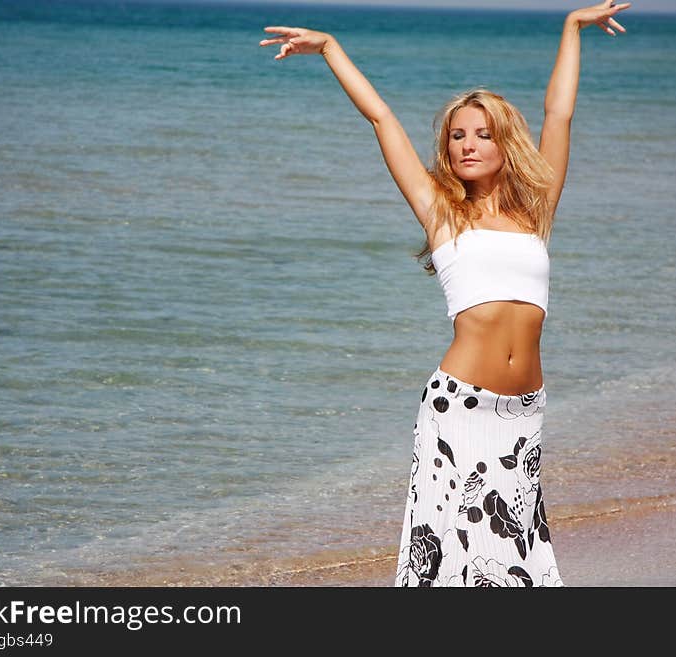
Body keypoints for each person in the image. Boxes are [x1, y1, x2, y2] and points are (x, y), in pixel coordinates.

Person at [260, 1, 632, 587]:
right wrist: (331, 48)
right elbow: (382, 119)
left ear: (507, 144)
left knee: (516, 556)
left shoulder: (535, 214)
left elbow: (558, 116)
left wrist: (571, 29)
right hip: (459, 407)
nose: (467, 144)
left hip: (523, 411)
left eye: (483, 134)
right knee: (453, 557)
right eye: (457, 135)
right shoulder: (441, 214)